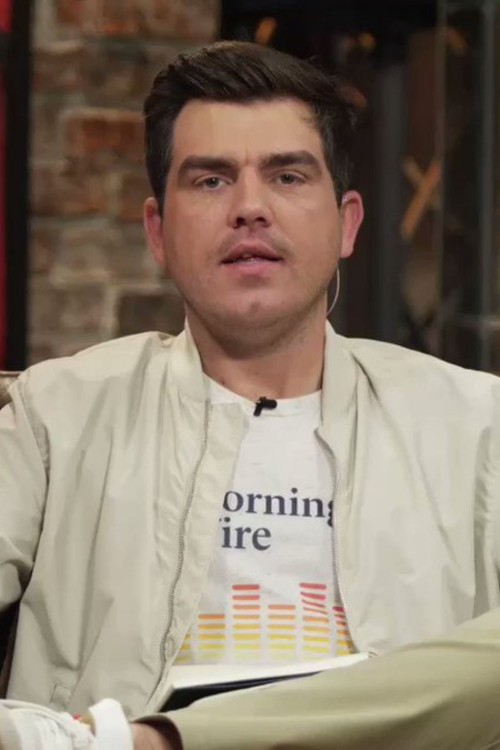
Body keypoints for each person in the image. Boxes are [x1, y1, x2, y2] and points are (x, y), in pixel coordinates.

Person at [0, 39, 499, 750]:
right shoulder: (59, 415)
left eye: (288, 176)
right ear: (158, 233)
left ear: (347, 223)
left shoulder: (475, 425)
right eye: (210, 181)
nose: (250, 208)